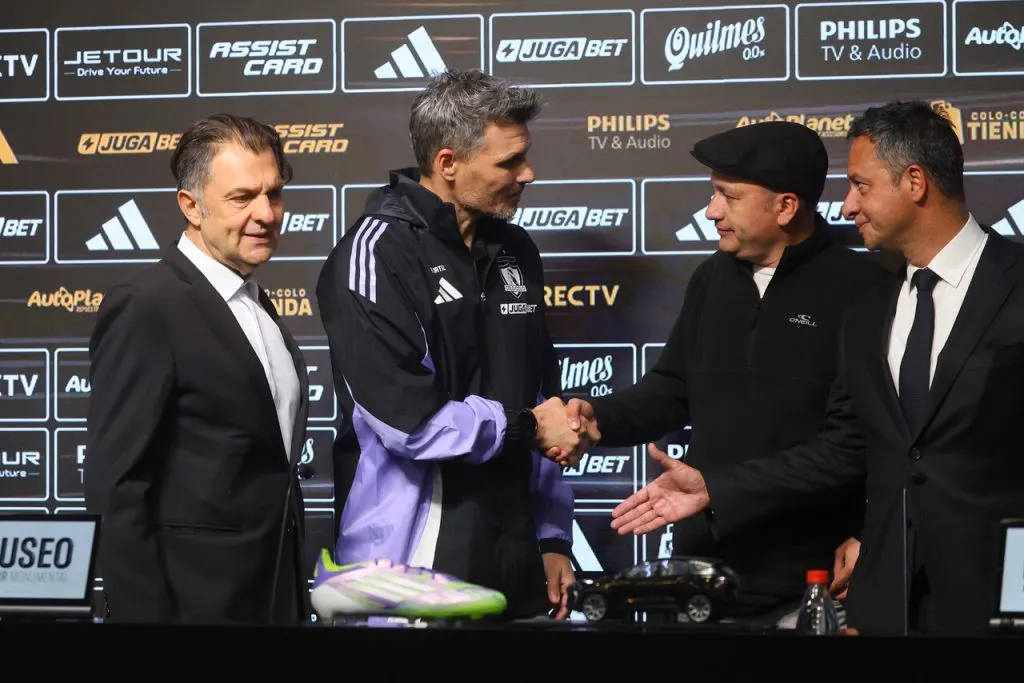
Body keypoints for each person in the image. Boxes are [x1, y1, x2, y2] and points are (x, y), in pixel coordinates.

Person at [609, 100, 1024, 636]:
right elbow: (857, 444)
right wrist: (871, 543)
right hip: (885, 598)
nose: (847, 204)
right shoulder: (877, 301)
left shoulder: (1010, 285)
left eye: (861, 185)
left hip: (996, 597)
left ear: (915, 182)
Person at [550, 121, 888, 625]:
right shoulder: (712, 276)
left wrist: (717, 488)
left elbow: (850, 447)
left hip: (810, 582)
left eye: (728, 197)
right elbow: (672, 389)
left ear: (786, 206)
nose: (712, 212)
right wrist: (598, 418)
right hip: (704, 576)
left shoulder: (862, 289)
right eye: (714, 195)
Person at [315, 69, 596, 621]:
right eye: (508, 162)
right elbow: (411, 424)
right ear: (447, 164)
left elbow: (542, 395)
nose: (527, 174)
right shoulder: (374, 253)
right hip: (412, 566)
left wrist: (551, 536)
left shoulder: (516, 250)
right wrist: (528, 427)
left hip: (515, 554)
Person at [84, 114, 311, 624]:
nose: (266, 213)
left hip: (274, 603)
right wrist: (151, 636)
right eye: (242, 197)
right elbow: (116, 486)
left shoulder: (256, 303)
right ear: (191, 205)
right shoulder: (147, 307)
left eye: (274, 194)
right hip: (192, 618)